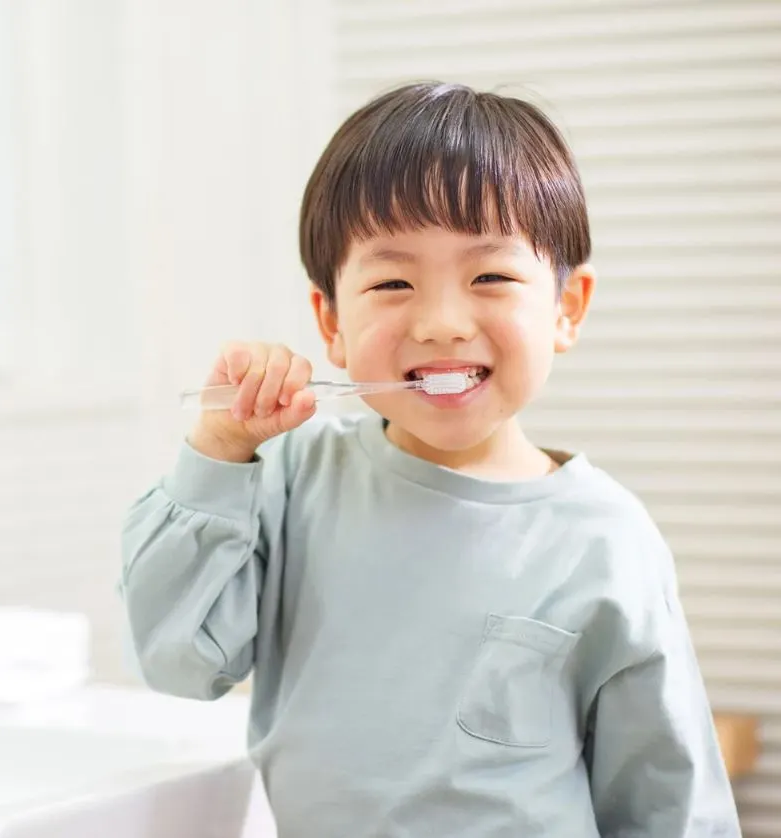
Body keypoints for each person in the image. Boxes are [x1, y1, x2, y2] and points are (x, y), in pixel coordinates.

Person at [119, 81, 740, 837]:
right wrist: (220, 447)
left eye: (490, 277)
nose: (442, 323)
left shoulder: (606, 539)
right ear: (331, 323)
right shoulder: (289, 477)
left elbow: (665, 799)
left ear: (565, 309)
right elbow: (176, 661)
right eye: (391, 282)